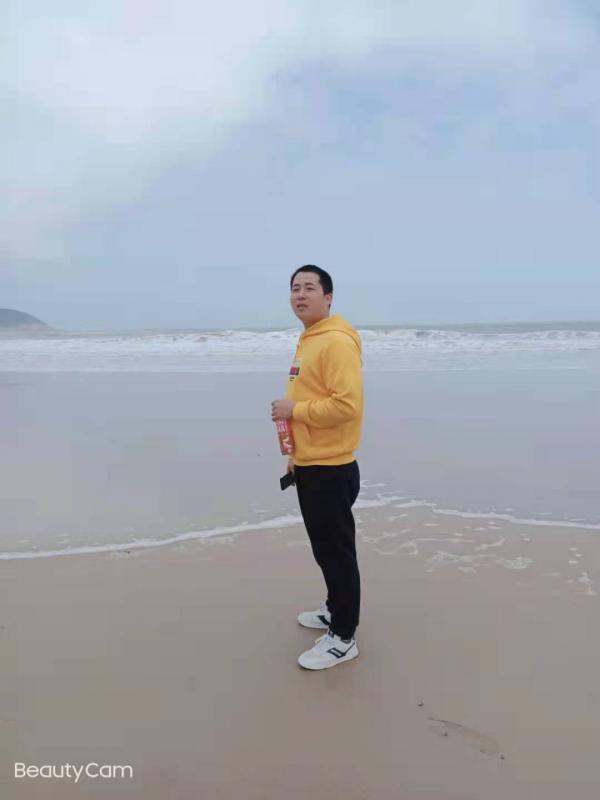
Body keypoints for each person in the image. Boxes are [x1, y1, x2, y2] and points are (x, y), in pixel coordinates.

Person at [271, 265, 364, 670]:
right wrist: (295, 454)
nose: (300, 294)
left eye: (310, 287)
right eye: (295, 288)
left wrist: (294, 410)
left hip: (331, 467)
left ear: (328, 297)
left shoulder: (336, 342)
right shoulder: (309, 339)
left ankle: (343, 637)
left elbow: (347, 406)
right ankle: (334, 608)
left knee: (337, 554)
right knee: (324, 551)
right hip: (311, 464)